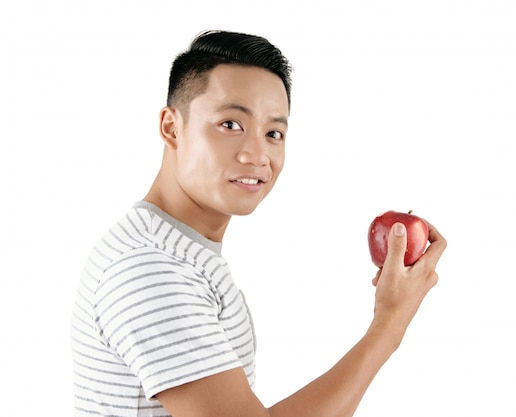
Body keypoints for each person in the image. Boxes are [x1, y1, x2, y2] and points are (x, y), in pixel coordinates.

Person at [71, 29, 447, 417]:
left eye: (273, 133)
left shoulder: (178, 250)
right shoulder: (149, 269)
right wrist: (389, 325)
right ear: (171, 127)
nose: (257, 154)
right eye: (230, 125)